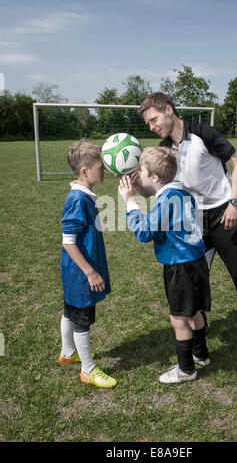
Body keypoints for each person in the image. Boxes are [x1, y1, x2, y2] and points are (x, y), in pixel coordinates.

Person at [136, 92, 237, 356]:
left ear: (168, 109)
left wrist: (235, 203)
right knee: (195, 276)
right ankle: (200, 328)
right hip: (192, 219)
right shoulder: (164, 150)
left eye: (153, 120)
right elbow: (152, 191)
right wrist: (134, 184)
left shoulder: (204, 134)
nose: (152, 127)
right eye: (148, 124)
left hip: (225, 213)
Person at [118, 146, 211, 384]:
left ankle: (186, 370)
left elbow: (143, 232)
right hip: (197, 262)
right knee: (195, 312)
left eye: (142, 171)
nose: (140, 174)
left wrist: (130, 202)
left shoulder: (167, 200)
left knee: (178, 319)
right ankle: (201, 354)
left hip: (180, 266)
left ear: (155, 177)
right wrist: (140, 188)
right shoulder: (181, 192)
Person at [58, 139, 117, 388]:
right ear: (85, 171)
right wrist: (90, 272)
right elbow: (68, 241)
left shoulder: (85, 195)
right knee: (82, 318)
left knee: (70, 311)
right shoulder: (77, 199)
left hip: (74, 271)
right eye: (100, 167)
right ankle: (88, 370)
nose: (103, 170)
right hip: (80, 272)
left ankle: (67, 353)